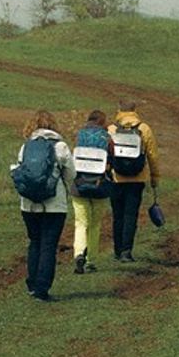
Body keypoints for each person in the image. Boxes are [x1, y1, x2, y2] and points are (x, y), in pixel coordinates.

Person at [14, 110, 76, 301]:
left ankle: (32, 284)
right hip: (54, 205)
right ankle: (42, 288)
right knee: (49, 245)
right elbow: (71, 175)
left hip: (29, 204)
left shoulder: (26, 147)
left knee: (34, 242)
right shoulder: (61, 147)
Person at [108, 99, 161, 262]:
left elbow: (107, 153)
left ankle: (117, 251)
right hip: (137, 179)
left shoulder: (111, 129)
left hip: (116, 178)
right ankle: (126, 251)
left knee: (117, 215)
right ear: (135, 110)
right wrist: (155, 177)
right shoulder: (144, 129)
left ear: (119, 110)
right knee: (131, 215)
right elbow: (152, 155)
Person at [70, 109, 113, 274]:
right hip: (100, 186)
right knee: (95, 224)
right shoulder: (107, 138)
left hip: (79, 186)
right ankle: (90, 260)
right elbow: (113, 160)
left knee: (81, 223)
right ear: (103, 122)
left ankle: (79, 253)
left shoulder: (80, 135)